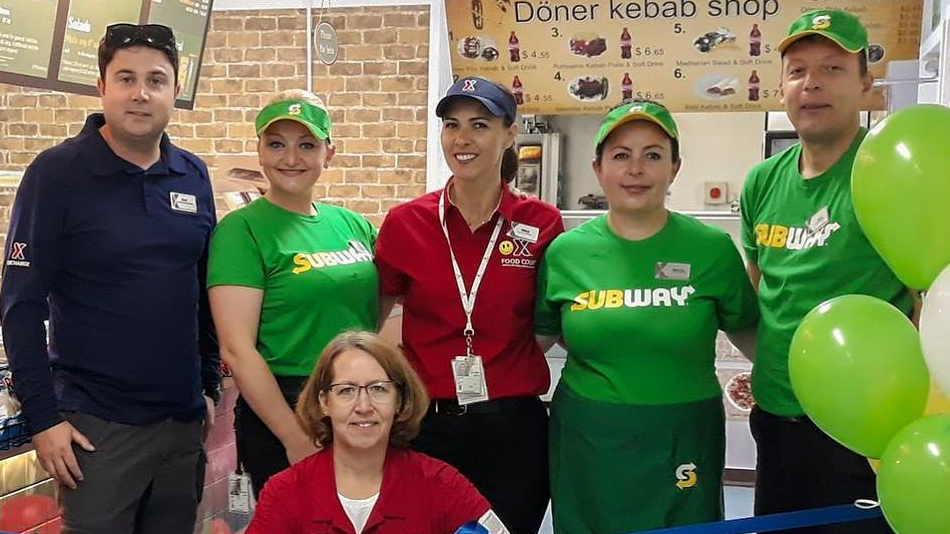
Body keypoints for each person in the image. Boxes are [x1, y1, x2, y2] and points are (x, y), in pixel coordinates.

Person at [0, 23, 219, 532]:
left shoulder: (193, 174)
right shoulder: (56, 174)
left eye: (156, 80)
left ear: (175, 90)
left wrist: (206, 384)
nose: (141, 93)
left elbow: (203, 292)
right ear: (102, 87)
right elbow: (21, 305)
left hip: (182, 423)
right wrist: (44, 419)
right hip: (96, 429)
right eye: (126, 78)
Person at [535, 100, 759, 534]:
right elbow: (540, 338)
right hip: (589, 436)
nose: (636, 169)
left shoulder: (711, 250)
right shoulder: (565, 253)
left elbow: (752, 334)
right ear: (598, 168)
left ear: (675, 168)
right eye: (621, 155)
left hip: (684, 434)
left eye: (653, 155)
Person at [740, 10, 916, 534]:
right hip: (777, 419)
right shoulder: (762, 182)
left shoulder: (890, 172)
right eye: (797, 70)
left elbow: (926, 298)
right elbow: (760, 292)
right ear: (781, 89)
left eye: (833, 68)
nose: (811, 83)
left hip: (864, 427)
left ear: (866, 85)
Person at [374, 77, 563, 534]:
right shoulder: (406, 223)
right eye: (451, 125)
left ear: (509, 134)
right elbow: (374, 322)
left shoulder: (540, 222)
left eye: (479, 124)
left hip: (513, 430)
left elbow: (547, 322)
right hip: (426, 426)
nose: (463, 138)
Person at [208, 90, 379, 496]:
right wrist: (293, 436)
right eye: (276, 144)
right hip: (285, 405)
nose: (290, 158)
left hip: (357, 401)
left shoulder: (353, 225)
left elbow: (385, 307)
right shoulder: (242, 230)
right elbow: (237, 349)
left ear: (329, 152)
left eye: (306, 145)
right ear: (260, 151)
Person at [246, 331, 510, 534]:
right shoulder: (284, 492)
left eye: (378, 389)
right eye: (346, 390)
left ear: (399, 400)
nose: (363, 407)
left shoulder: (443, 486)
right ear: (325, 402)